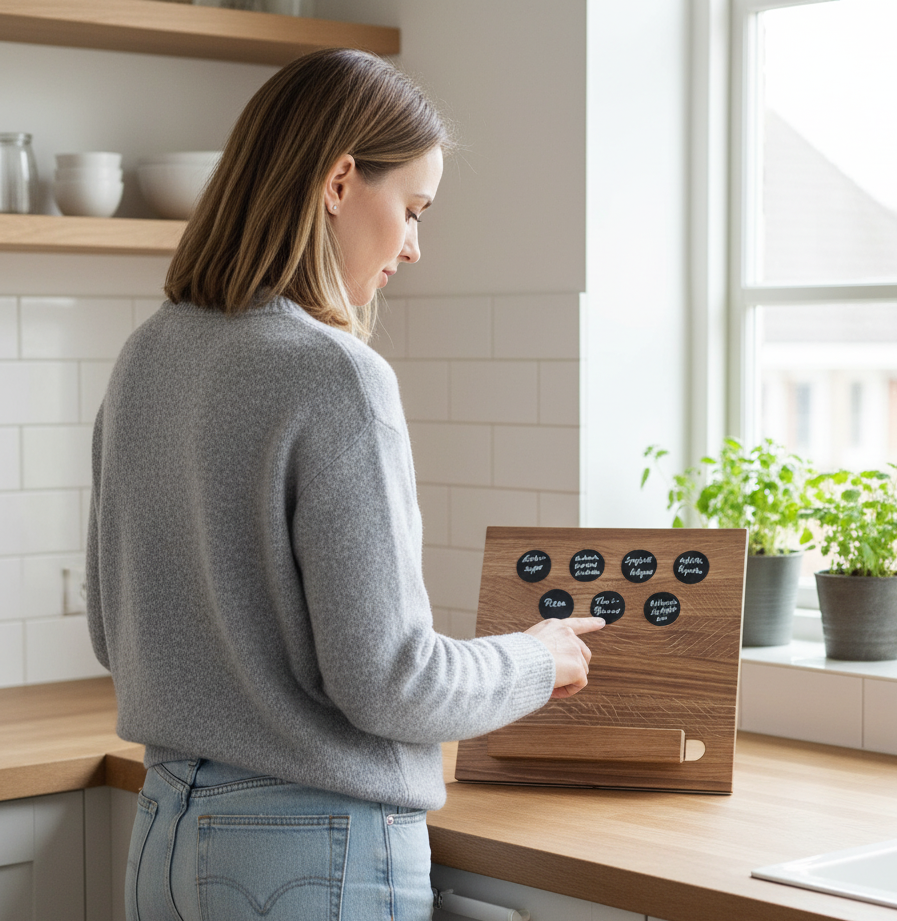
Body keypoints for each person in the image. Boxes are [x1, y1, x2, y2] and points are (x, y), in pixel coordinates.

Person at [86, 47, 604, 921]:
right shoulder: (334, 374)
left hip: (164, 842)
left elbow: (114, 632)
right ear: (337, 180)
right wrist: (534, 658)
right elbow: (391, 681)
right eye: (409, 207)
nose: (413, 245)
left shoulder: (150, 353)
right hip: (308, 856)